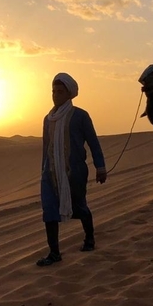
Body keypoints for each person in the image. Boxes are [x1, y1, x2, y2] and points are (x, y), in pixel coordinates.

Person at [37, 73, 107, 267]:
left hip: (74, 172)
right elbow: (46, 147)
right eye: (53, 91)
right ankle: (54, 253)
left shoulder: (81, 116)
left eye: (60, 92)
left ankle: (90, 239)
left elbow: (93, 142)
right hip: (50, 173)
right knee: (49, 210)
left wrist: (100, 167)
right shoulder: (48, 119)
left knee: (79, 206)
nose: (56, 95)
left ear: (69, 94)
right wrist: (44, 170)